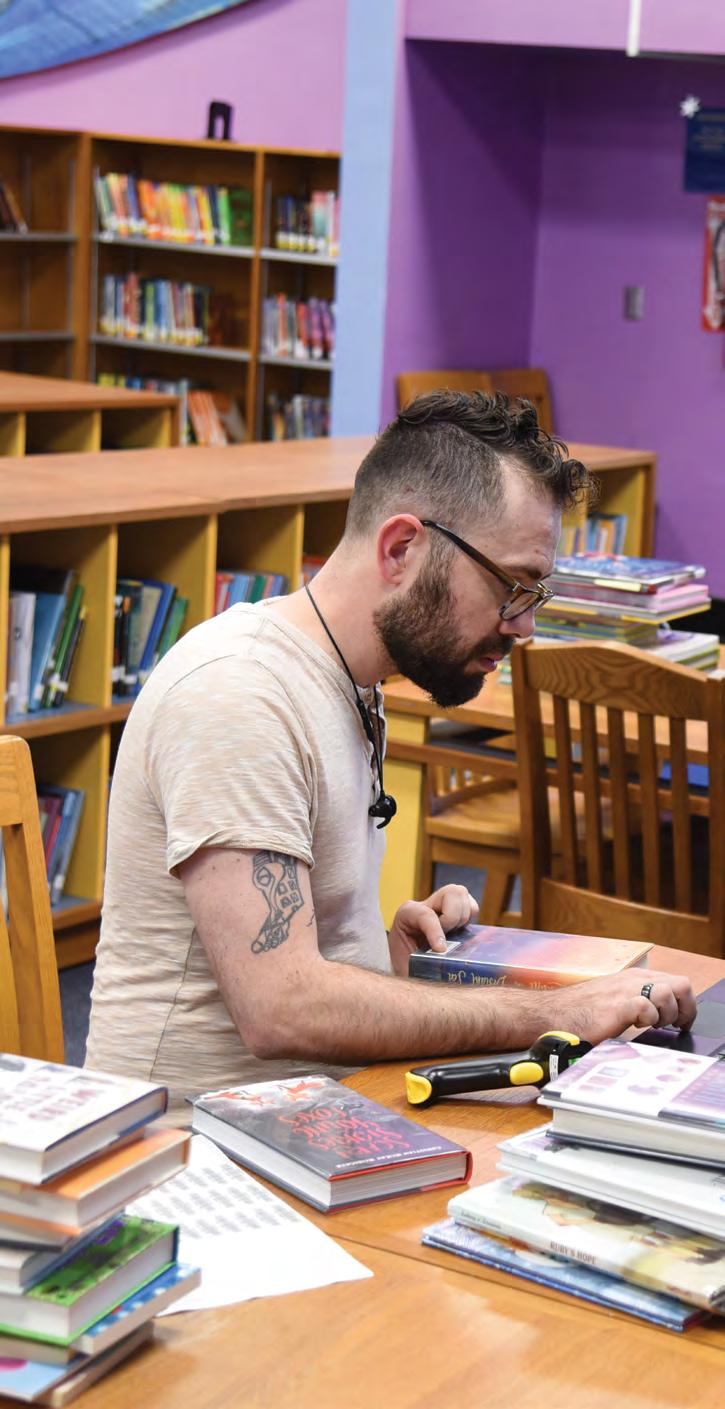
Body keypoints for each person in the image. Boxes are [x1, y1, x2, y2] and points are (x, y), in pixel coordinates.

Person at [85, 392, 695, 1113]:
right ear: (402, 549)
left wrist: (380, 953)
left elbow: (288, 955)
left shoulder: (351, 679)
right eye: (510, 586)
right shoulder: (237, 693)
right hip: (195, 1141)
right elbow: (282, 1008)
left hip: (316, 1108)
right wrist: (558, 1009)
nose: (524, 626)